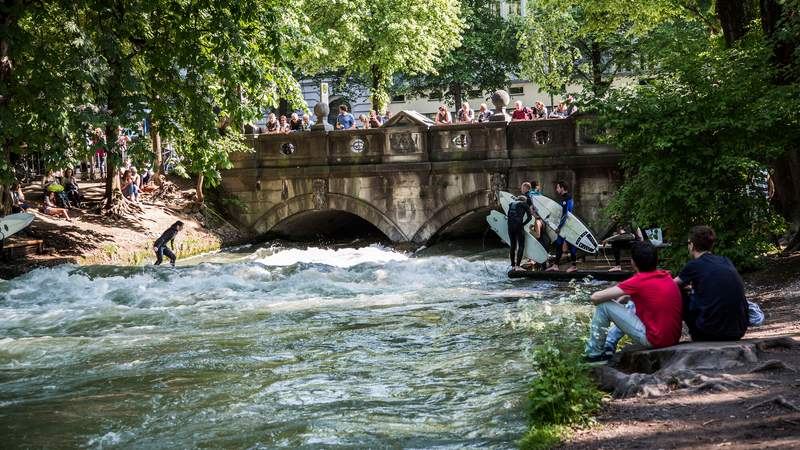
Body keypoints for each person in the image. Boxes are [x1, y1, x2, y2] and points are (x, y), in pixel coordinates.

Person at [584, 241, 683, 362]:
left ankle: (594, 354)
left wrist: (618, 301)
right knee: (631, 301)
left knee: (603, 305)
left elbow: (596, 297)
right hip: (672, 338)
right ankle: (609, 344)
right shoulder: (666, 276)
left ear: (633, 262)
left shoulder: (638, 281)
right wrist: (627, 296)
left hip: (655, 340)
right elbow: (651, 295)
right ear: (656, 261)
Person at [674, 226, 749, 341]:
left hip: (709, 332)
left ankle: (687, 334)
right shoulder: (725, 260)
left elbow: (670, 285)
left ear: (692, 245)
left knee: (677, 290)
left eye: (688, 242)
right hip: (738, 330)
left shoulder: (694, 265)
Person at [547, 181, 578, 272]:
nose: (556, 190)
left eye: (557, 187)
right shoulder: (566, 198)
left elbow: (565, 215)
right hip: (565, 225)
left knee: (570, 245)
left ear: (562, 188)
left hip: (566, 226)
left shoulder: (566, 199)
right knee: (559, 244)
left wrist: (559, 227)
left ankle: (573, 266)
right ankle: (556, 265)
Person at [507, 194, 532, 271]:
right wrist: (523, 224)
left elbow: (508, 216)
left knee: (513, 246)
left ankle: (513, 265)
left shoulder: (511, 204)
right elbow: (530, 217)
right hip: (518, 227)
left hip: (510, 227)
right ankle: (518, 266)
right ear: (524, 201)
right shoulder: (525, 205)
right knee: (521, 246)